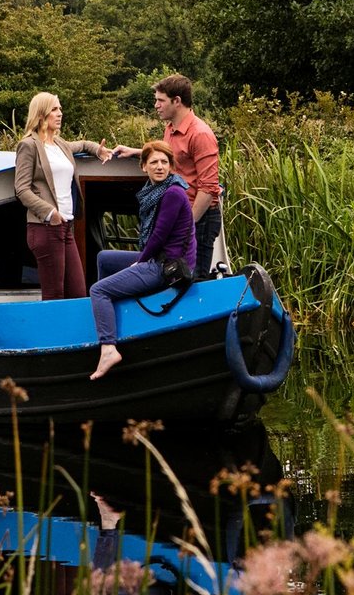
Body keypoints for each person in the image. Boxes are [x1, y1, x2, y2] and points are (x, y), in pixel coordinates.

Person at [88, 140, 196, 380]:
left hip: (167, 266)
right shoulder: (154, 192)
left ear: (171, 166)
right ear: (143, 166)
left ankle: (108, 347)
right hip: (159, 257)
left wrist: (141, 261)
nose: (160, 167)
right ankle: (107, 319)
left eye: (164, 162)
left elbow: (159, 235)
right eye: (154, 162)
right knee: (104, 258)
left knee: (98, 291)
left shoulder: (173, 193)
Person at [113, 74, 221, 278]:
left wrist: (186, 225)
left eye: (160, 100)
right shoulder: (170, 129)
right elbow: (172, 158)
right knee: (171, 277)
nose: (156, 105)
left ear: (177, 101)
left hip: (199, 217)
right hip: (180, 214)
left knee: (191, 280)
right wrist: (137, 152)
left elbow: (208, 189)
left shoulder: (201, 134)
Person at [14, 92, 111, 300]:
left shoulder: (60, 144)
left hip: (66, 227)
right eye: (54, 109)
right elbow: (21, 189)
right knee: (54, 294)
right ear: (41, 114)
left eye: (60, 109)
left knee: (77, 291)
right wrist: (51, 213)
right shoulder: (29, 145)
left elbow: (83, 145)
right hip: (45, 227)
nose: (60, 113)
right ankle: (51, 333)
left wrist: (98, 150)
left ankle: (75, 333)